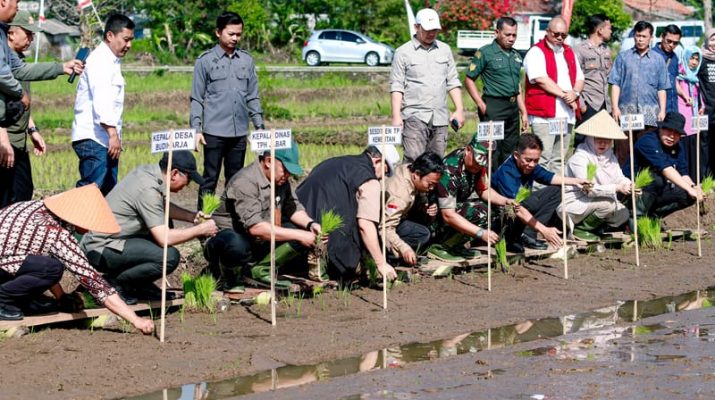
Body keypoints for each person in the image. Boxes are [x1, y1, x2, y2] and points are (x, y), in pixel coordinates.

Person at [0, 184, 153, 333]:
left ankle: (16, 300)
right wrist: (135, 320)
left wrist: (61, 297)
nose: (89, 228)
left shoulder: (33, 206)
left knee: (48, 266)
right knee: (53, 268)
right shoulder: (57, 234)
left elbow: (35, 259)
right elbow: (95, 283)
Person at [81, 151, 217, 303]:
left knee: (166, 224)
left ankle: (138, 284)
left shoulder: (150, 173)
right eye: (188, 179)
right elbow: (164, 239)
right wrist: (201, 229)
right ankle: (116, 283)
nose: (188, 185)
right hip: (101, 246)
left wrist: (191, 217)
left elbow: (161, 206)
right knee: (169, 257)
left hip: (114, 239)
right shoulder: (148, 190)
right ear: (174, 173)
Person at [204, 142, 322, 290]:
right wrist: (299, 235)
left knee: (302, 233)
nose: (288, 175)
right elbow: (256, 228)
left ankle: (260, 270)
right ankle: (228, 277)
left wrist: (311, 225)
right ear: (268, 162)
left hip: (257, 240)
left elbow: (293, 208)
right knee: (236, 244)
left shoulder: (280, 181)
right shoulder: (245, 181)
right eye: (285, 170)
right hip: (228, 240)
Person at [0, 11, 86, 209]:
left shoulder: (16, 60)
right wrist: (2, 137)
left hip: (17, 141)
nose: (32, 38)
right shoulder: (3, 62)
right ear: (11, 34)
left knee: (22, 192)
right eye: (28, 33)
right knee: (7, 199)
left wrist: (32, 130)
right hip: (6, 142)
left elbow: (23, 96)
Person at [190, 11, 264, 208]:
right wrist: (196, 129)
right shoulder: (205, 61)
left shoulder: (246, 61)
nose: (235, 38)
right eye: (231, 34)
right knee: (210, 179)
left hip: (239, 132)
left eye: (238, 34)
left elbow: (253, 96)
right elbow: (197, 98)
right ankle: (203, 222)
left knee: (236, 180)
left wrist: (260, 127)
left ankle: (231, 221)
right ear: (218, 32)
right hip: (213, 132)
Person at [296, 145, 401, 282]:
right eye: (386, 172)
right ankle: (323, 260)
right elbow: (365, 225)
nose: (383, 178)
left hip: (297, 225)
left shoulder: (334, 162)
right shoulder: (369, 180)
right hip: (324, 236)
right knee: (352, 266)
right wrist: (381, 263)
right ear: (377, 161)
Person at [389, 8, 464, 163]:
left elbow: (452, 81)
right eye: (428, 30)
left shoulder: (444, 50)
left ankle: (431, 189)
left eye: (435, 30)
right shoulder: (403, 52)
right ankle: (410, 188)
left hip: (440, 117)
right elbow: (397, 86)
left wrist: (459, 109)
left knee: (435, 164)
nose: (432, 34)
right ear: (417, 27)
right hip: (414, 116)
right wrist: (396, 115)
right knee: (414, 160)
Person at [492, 133, 588, 252]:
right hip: (502, 217)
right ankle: (510, 237)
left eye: (536, 160)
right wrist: (544, 230)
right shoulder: (507, 173)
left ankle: (527, 233)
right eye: (528, 160)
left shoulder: (530, 165)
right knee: (526, 204)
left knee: (556, 190)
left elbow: (549, 177)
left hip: (521, 207)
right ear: (516, 155)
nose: (532, 164)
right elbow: (516, 209)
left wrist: (576, 181)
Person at [72, 14, 135, 195]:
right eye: (125, 39)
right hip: (95, 138)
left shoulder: (112, 61)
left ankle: (100, 224)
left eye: (131, 40)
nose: (129, 45)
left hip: (103, 139)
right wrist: (112, 134)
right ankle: (72, 223)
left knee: (107, 194)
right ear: (110, 36)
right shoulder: (100, 61)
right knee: (90, 194)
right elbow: (102, 101)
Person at [430, 134, 510, 261]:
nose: (477, 167)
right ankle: (440, 246)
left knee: (494, 209)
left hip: (455, 208)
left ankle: (456, 245)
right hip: (436, 218)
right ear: (468, 150)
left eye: (482, 164)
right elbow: (447, 214)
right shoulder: (450, 170)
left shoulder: (478, 166)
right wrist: (480, 233)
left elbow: (483, 190)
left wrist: (506, 201)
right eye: (476, 162)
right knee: (479, 211)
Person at [464, 16, 528, 169]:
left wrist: (523, 111)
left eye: (514, 35)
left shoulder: (516, 56)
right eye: (507, 34)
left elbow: (517, 86)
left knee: (511, 149)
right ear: (497, 33)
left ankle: (504, 187)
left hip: (512, 108)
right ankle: (488, 188)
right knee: (492, 150)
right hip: (493, 107)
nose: (511, 39)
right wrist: (481, 104)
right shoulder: (485, 53)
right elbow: (469, 79)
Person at [523, 16, 584, 172]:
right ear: (547, 31)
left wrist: (575, 93)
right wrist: (566, 95)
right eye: (556, 34)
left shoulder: (569, 51)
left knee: (559, 159)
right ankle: (538, 195)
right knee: (542, 159)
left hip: (565, 115)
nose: (560, 38)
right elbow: (541, 79)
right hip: (544, 115)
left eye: (563, 35)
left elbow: (580, 78)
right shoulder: (536, 51)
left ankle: (554, 195)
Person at [559, 110, 631, 241]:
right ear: (590, 139)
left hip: (598, 201)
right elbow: (589, 190)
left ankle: (596, 228)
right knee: (608, 205)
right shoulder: (579, 158)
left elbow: (618, 176)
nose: (603, 144)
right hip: (575, 203)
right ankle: (581, 230)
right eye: (598, 140)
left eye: (607, 140)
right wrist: (617, 188)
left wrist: (628, 184)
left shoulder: (611, 157)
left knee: (624, 213)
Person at [609, 21, 669, 164]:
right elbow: (615, 83)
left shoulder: (658, 60)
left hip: (649, 115)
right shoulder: (623, 57)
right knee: (623, 152)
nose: (640, 39)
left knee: (647, 152)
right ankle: (624, 183)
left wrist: (662, 110)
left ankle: (645, 184)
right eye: (638, 36)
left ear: (651, 38)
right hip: (626, 113)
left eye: (644, 36)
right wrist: (615, 107)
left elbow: (662, 87)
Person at [624, 112, 703, 218]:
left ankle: (653, 217)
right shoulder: (647, 141)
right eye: (669, 130)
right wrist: (690, 189)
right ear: (661, 128)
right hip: (633, 189)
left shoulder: (678, 146)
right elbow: (665, 169)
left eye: (677, 133)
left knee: (687, 195)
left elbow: (683, 173)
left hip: (659, 190)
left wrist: (693, 187)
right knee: (656, 179)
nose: (672, 136)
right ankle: (636, 217)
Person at [381, 152, 443, 266]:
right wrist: (404, 249)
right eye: (429, 184)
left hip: (398, 216)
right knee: (422, 234)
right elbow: (385, 228)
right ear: (416, 175)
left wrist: (426, 209)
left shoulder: (409, 169)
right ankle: (388, 257)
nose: (432, 188)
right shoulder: (400, 195)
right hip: (383, 224)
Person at [573, 14, 612, 140]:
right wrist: (581, 104)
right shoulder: (580, 50)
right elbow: (573, 78)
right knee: (582, 141)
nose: (611, 31)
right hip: (589, 103)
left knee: (602, 141)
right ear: (600, 30)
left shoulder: (606, 50)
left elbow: (608, 76)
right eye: (609, 28)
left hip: (604, 104)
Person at [677, 46, 706, 181]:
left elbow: (697, 95)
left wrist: (702, 106)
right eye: (691, 58)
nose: (694, 62)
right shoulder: (679, 74)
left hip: (694, 119)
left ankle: (696, 180)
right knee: (684, 149)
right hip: (683, 118)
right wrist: (683, 95)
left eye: (696, 59)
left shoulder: (695, 78)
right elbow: (676, 86)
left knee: (694, 150)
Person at [652, 24, 682, 114]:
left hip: (673, 107)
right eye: (669, 41)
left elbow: (675, 81)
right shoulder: (651, 55)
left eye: (675, 43)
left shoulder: (675, 57)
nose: (671, 45)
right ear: (662, 36)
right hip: (657, 108)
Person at [697, 28, 715, 176]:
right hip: (705, 109)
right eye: (712, 39)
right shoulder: (700, 59)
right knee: (704, 143)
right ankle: (704, 176)